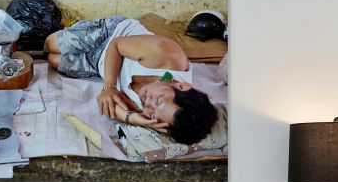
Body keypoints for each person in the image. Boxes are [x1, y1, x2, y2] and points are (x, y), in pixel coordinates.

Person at [45, 16, 219, 145]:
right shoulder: (166, 54)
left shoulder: (157, 115)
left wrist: (133, 118)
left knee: (53, 61)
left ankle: (76, 39)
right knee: (49, 44)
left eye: (150, 113)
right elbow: (117, 45)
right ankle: (84, 26)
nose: (146, 102)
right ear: (181, 85)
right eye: (157, 100)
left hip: (102, 66)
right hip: (112, 36)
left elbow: (109, 104)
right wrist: (109, 86)